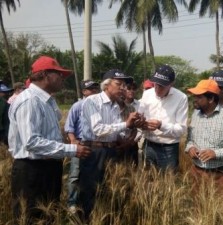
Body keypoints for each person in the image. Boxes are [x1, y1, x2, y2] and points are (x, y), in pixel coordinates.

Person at [8, 56, 91, 224]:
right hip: (32, 171)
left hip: (47, 169)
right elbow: (31, 142)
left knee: (48, 217)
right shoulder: (30, 101)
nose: (62, 78)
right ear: (45, 75)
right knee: (32, 218)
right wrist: (72, 149)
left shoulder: (46, 101)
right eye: (59, 74)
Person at [79, 69, 144, 222]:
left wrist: (131, 128)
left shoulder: (115, 105)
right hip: (95, 151)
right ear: (106, 85)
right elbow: (98, 129)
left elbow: (116, 131)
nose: (122, 87)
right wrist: (125, 124)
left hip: (112, 150)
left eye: (124, 85)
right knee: (91, 191)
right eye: (118, 84)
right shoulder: (92, 101)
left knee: (108, 189)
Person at [185, 79, 223, 189]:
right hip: (197, 173)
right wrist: (190, 148)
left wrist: (217, 153)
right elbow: (190, 139)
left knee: (221, 206)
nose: (195, 100)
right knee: (197, 205)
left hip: (221, 175)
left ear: (211, 99)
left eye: (199, 97)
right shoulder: (195, 116)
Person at [138, 64, 188, 172]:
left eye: (162, 86)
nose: (157, 88)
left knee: (167, 183)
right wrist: (141, 123)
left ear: (171, 84)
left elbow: (182, 129)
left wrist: (161, 125)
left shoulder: (181, 98)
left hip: (168, 148)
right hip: (149, 144)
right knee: (148, 180)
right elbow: (140, 116)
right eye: (156, 84)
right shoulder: (147, 94)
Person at [64, 80, 100, 213]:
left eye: (96, 88)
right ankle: (72, 203)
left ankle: (89, 201)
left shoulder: (100, 106)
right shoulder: (77, 106)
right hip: (80, 143)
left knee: (92, 174)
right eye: (91, 89)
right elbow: (69, 127)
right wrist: (73, 141)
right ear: (84, 92)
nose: (94, 91)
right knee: (75, 175)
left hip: (96, 145)